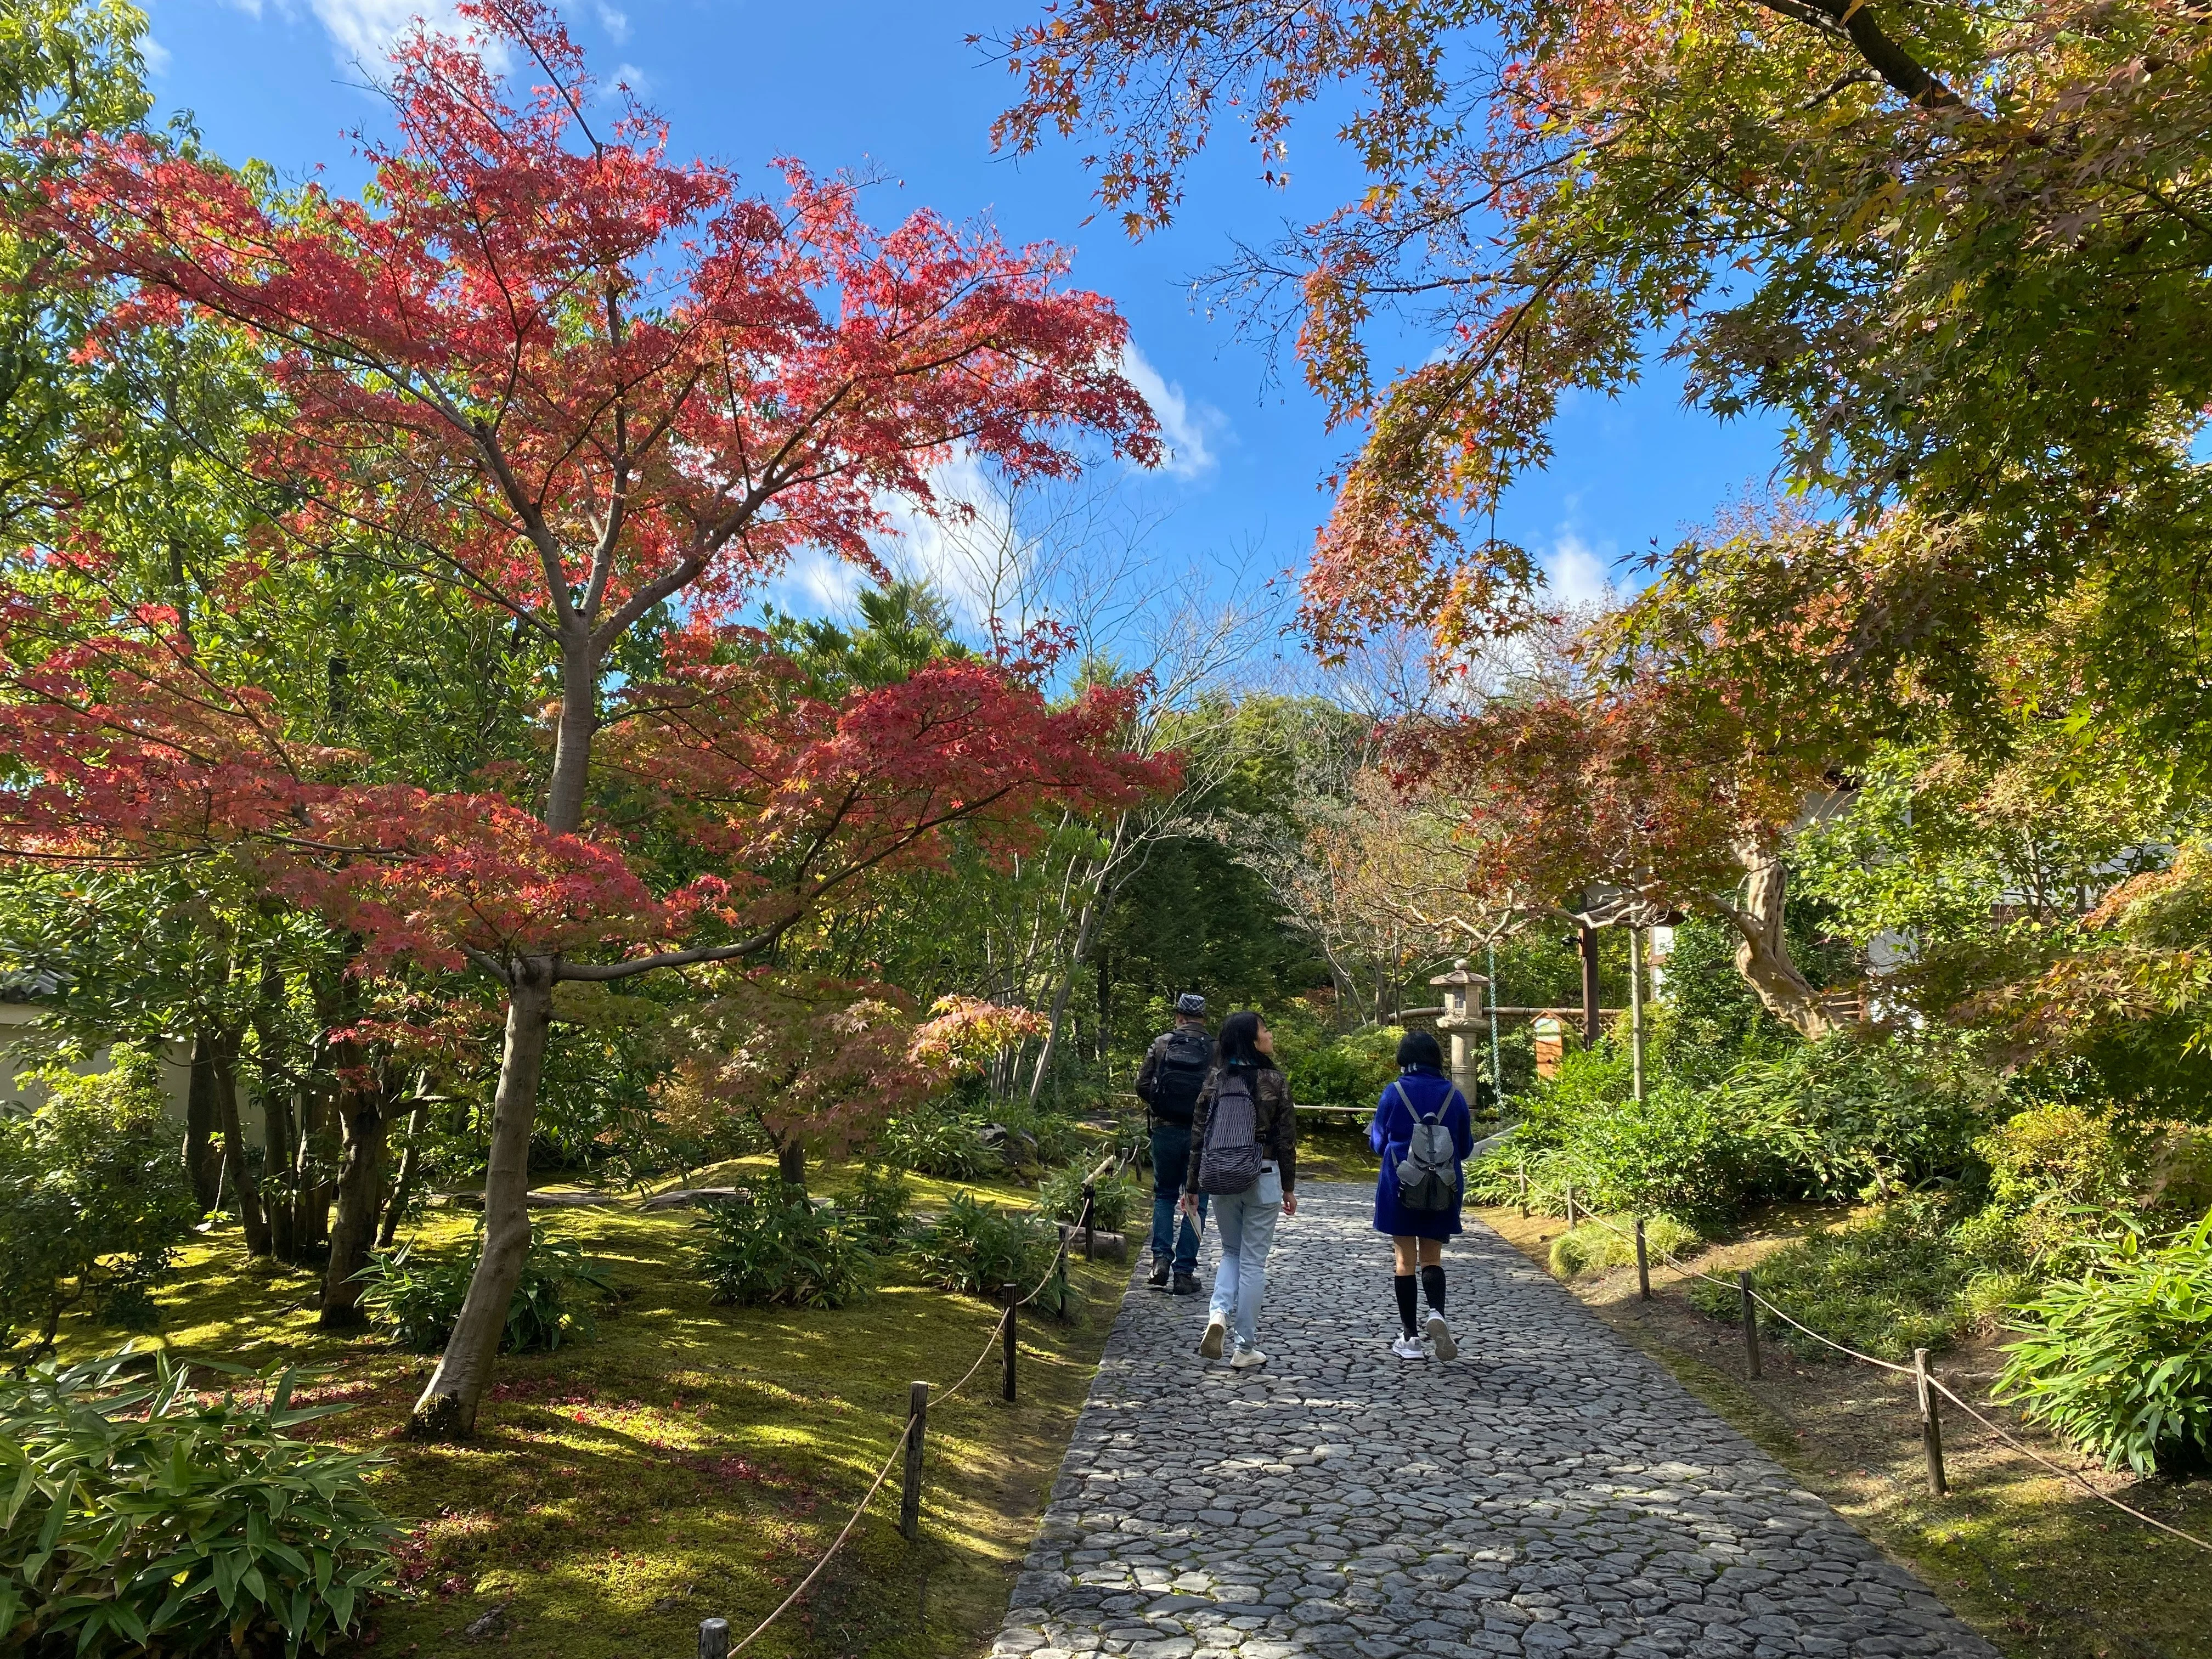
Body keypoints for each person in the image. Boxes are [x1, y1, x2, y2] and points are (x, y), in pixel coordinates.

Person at [1184, 1010, 1297, 1369]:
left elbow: (1199, 1137)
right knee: (1253, 1262)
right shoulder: (1274, 1081)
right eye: (1265, 1029)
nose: (1270, 1035)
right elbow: (1286, 1140)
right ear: (1252, 1039)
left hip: (1221, 1177)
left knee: (1231, 1253)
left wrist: (1192, 1185)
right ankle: (1244, 1347)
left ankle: (1218, 1314)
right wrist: (1289, 1187)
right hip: (1262, 1176)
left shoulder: (1216, 1079)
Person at [1369, 1028, 1475, 1360]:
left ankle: (1410, 1339)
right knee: (1432, 1258)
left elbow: (1377, 1143)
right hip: (1443, 1184)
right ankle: (1437, 1314)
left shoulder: (1394, 1092)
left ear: (1405, 1058)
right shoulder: (1453, 1095)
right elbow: (1467, 1147)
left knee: (1405, 1262)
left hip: (1401, 1183)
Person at [1135, 992, 1214, 1293]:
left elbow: (1142, 1084)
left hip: (1165, 1129)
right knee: (1198, 1202)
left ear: (1179, 1017)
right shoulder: (1216, 1048)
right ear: (1203, 1018)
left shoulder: (1162, 1043)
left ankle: (1160, 1263)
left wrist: (1163, 1106)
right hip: (1203, 1135)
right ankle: (1184, 1273)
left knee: (1165, 1195)